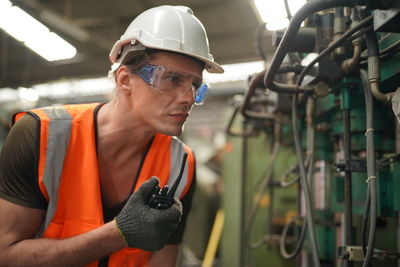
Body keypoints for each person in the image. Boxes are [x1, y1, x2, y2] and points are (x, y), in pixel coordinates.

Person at [0, 5, 223, 267]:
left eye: (195, 86)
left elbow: (162, 261)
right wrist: (118, 234)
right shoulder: (41, 134)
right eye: (172, 79)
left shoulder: (180, 164)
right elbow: (6, 255)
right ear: (125, 79)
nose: (188, 98)